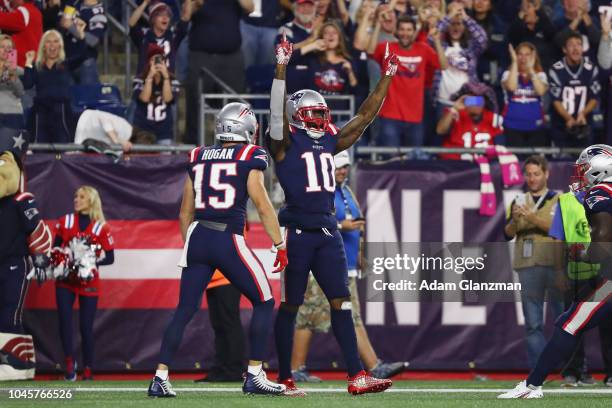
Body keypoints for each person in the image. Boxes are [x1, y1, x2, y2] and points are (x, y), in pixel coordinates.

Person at [268, 34, 397, 396]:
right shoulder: (283, 141)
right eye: (313, 113)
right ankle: (285, 377)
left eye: (323, 114)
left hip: (327, 232)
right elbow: (276, 112)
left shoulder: (329, 140)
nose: (321, 119)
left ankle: (357, 376)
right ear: (297, 114)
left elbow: (365, 116)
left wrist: (386, 75)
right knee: (291, 305)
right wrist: (281, 66)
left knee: (341, 302)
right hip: (296, 230)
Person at [148, 102, 288, 397]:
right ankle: (254, 374)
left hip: (198, 235)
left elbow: (185, 212)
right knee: (263, 301)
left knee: (184, 310)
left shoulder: (198, 155)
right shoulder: (251, 155)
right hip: (228, 237)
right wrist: (279, 244)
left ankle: (160, 377)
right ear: (246, 128)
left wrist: (195, 244)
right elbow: (262, 205)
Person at [498, 144, 612, 398]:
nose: (579, 176)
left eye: (584, 170)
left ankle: (531, 386)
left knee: (569, 323)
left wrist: (584, 253)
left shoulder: (600, 193)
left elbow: (603, 240)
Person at [291, 151, 407, 383]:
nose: (343, 171)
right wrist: (339, 225)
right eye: (338, 167)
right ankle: (295, 369)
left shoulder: (344, 190)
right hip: (322, 265)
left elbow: (358, 223)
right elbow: (305, 220)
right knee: (308, 316)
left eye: (345, 166)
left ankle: (375, 366)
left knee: (352, 317)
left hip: (345, 266)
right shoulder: (318, 191)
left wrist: (359, 253)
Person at [503, 155, 563, 370]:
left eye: (536, 174)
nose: (532, 178)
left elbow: (559, 229)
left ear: (546, 173)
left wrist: (532, 217)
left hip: (556, 265)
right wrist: (514, 220)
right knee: (533, 324)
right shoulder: (518, 200)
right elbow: (507, 233)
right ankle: (539, 371)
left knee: (564, 321)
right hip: (527, 265)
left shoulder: (560, 199)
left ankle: (570, 370)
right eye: (528, 174)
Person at [0, 127, 51, 381]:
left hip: (14, 264)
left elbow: (36, 229)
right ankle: (20, 362)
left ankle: (16, 365)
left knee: (10, 313)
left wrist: (41, 256)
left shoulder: (22, 200)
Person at [548, 189, 611, 387]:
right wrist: (558, 271)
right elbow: (558, 239)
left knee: (609, 325)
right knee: (572, 324)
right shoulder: (566, 201)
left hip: (605, 271)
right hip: (577, 272)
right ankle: (573, 372)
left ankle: (611, 373)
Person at [52, 185, 114, 381]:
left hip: (89, 281)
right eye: (75, 196)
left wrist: (89, 261)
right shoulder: (65, 221)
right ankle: (69, 364)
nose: (76, 200)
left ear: (91, 201)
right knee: (64, 320)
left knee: (86, 326)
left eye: (81, 197)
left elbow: (111, 257)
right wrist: (65, 260)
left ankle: (88, 368)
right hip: (65, 279)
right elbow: (55, 250)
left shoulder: (101, 227)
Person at [370, 15, 447, 152]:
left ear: (414, 32)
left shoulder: (423, 49)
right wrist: (377, 25)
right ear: (397, 31)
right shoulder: (386, 47)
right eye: (402, 30)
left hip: (415, 118)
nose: (405, 33)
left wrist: (436, 41)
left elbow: (443, 65)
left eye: (409, 30)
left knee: (413, 163)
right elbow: (369, 51)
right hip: (390, 116)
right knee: (391, 161)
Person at [183, 0, 254, 145]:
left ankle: (237, 143)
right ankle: (192, 144)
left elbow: (250, 7)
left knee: (235, 102)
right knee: (195, 100)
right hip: (201, 55)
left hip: (231, 57)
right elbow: (185, 16)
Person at [434, 1, 487, 115]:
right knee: (440, 132)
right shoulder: (440, 44)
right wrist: (448, 17)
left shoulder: (471, 47)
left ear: (464, 26)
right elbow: (433, 34)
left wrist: (466, 18)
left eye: (459, 24)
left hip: (467, 101)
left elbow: (483, 38)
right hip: (442, 102)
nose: (455, 27)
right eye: (452, 24)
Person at [22, 29, 75, 143]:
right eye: (48, 42)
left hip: (61, 111)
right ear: (43, 46)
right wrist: (28, 62)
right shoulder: (37, 66)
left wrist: (80, 36)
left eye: (55, 41)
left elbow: (84, 54)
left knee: (62, 148)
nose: (52, 45)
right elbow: (27, 84)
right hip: (41, 111)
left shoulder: (66, 64)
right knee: (40, 147)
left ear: (60, 45)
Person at [549, 32, 601, 148]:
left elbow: (594, 97)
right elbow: (556, 100)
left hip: (584, 122)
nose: (575, 48)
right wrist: (568, 118)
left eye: (579, 44)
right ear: (564, 49)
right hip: (561, 124)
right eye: (571, 45)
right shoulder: (556, 69)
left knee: (584, 161)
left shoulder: (591, 68)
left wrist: (582, 114)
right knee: (561, 163)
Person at [436, 83, 503, 160]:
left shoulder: (492, 118)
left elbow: (500, 147)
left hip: (483, 164)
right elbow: (440, 131)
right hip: (454, 163)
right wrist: (454, 109)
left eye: (478, 101)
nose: (476, 105)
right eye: (471, 101)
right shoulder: (455, 113)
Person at [501, 42, 549, 147]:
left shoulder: (540, 75)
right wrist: (514, 63)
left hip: (536, 127)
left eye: (527, 54)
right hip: (512, 126)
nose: (523, 58)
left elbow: (540, 91)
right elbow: (512, 87)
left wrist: (531, 69)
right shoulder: (507, 74)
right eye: (520, 54)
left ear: (533, 57)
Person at [128, 0, 193, 74]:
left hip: (167, 81)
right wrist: (145, 3)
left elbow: (186, 18)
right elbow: (131, 23)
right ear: (153, 19)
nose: (165, 18)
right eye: (161, 15)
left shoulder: (172, 36)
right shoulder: (144, 35)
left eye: (167, 15)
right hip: (144, 81)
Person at [132, 44, 180, 144]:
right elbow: (144, 99)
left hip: (164, 131)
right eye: (154, 60)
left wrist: (166, 78)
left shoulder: (173, 80)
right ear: (149, 62)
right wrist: (149, 77)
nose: (157, 64)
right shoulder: (139, 79)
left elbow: (168, 99)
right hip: (143, 130)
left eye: (160, 60)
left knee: (165, 158)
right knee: (142, 159)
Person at [59, 0, 107, 84]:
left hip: (85, 63)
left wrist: (72, 28)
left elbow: (94, 41)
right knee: (67, 96)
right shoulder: (74, 3)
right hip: (67, 61)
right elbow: (62, 21)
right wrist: (65, 22)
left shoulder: (99, 13)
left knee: (88, 95)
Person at [74, 109, 155, 152]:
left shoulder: (124, 146)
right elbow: (103, 119)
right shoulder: (127, 129)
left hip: (80, 135)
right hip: (80, 122)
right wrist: (116, 139)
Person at [0, 0, 43, 67]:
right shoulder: (32, 10)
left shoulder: (25, 11)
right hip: (23, 64)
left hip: (22, 66)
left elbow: (3, 20)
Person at [0, 35, 25, 129]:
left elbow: (20, 92)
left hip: (13, 114)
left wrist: (11, 75)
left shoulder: (19, 71)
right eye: (2, 47)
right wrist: (3, 70)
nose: (6, 50)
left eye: (9, 48)